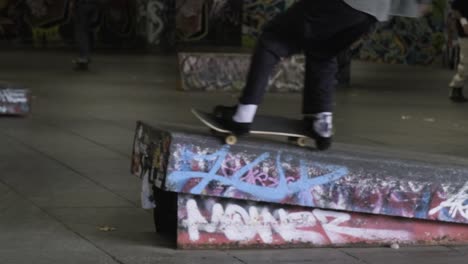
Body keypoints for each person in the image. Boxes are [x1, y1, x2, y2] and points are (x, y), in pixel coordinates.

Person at [213, 0, 432, 150]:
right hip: (371, 12)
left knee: (273, 39)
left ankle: (242, 116)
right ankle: (321, 123)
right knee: (323, 53)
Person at [71, 0, 100, 70]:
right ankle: (84, 59)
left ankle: (83, 57)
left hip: (83, 5)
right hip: (93, 4)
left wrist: (72, 3)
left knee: (81, 32)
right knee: (86, 32)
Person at [449, 0, 468, 102]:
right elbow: (455, 11)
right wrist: (463, 21)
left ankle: (457, 88)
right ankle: (456, 89)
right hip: (465, 35)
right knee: (465, 63)